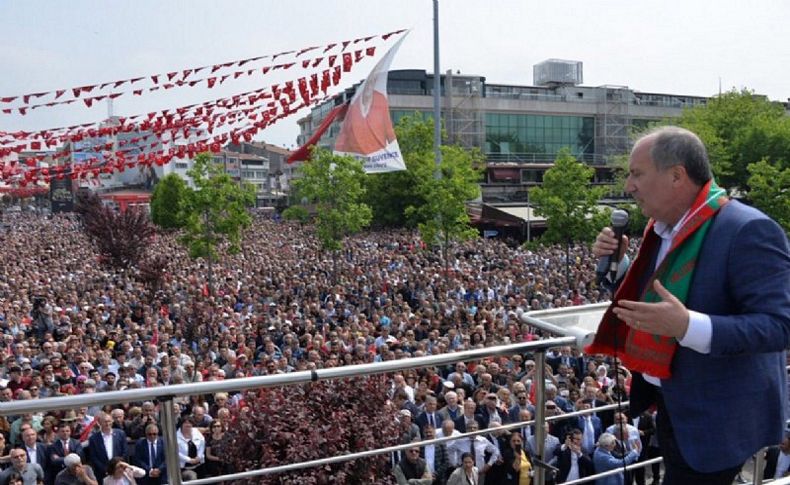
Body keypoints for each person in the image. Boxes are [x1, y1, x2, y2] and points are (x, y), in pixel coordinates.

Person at [587, 126, 790, 484]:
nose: (628, 186)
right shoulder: (663, 228)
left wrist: (687, 327)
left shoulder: (749, 230)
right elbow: (656, 302)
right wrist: (620, 267)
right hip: (672, 405)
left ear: (676, 175)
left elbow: (780, 326)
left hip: (717, 418)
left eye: (637, 174)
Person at [86, 413, 127, 484]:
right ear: (99, 423)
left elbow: (124, 452)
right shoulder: (93, 438)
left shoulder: (120, 434)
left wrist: (118, 467)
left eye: (109, 421)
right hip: (102, 474)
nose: (107, 423)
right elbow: (94, 457)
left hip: (120, 471)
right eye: (105, 421)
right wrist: (106, 470)